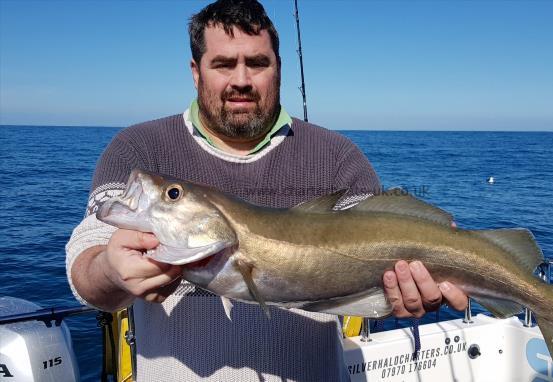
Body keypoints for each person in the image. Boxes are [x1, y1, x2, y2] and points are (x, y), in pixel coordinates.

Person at [65, 1, 467, 380]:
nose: (241, 80)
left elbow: (376, 266)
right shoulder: (139, 149)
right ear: (195, 71)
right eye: (223, 64)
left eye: (257, 63)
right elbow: (88, 265)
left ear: (278, 68)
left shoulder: (337, 155)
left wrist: (402, 294)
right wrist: (110, 270)